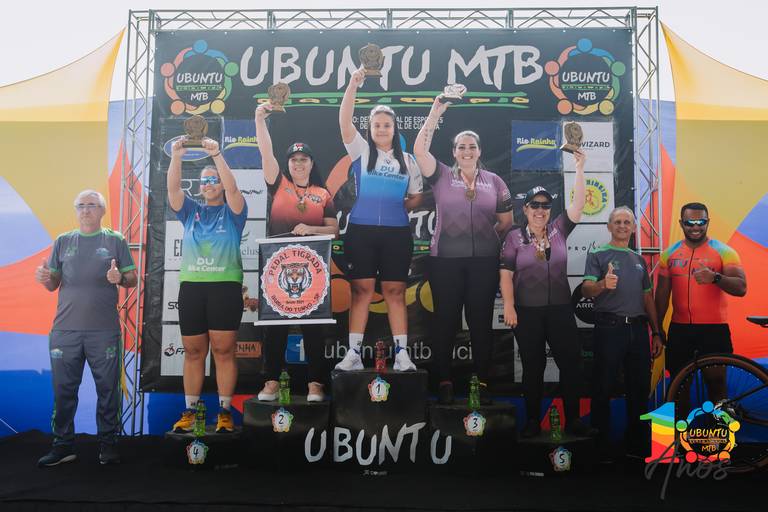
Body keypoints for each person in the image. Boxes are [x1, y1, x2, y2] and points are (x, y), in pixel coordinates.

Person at [413, 96, 513, 404]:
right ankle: (444, 381)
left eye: (472, 146)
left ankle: (481, 383)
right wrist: (435, 112)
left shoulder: (495, 181)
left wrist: (485, 239)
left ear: (479, 151)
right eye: (461, 147)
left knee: (480, 322)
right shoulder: (442, 175)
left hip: (483, 263)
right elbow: (419, 151)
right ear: (454, 152)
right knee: (445, 320)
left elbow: (506, 222)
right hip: (445, 261)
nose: (467, 151)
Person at [35, 190, 137, 467]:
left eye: (91, 205)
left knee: (108, 390)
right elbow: (52, 283)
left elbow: (132, 278)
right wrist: (44, 277)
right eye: (80, 205)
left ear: (102, 210)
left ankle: (108, 444)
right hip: (65, 332)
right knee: (63, 391)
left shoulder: (115, 240)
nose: (85, 210)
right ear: (76, 210)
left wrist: (119, 277)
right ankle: (63, 445)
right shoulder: (63, 241)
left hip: (103, 332)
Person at [499, 150, 596, 438]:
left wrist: (580, 168)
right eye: (534, 205)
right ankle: (532, 422)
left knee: (571, 364)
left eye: (545, 205)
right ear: (525, 209)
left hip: (560, 310)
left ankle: (573, 420)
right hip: (527, 311)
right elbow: (505, 275)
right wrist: (509, 306)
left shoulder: (559, 230)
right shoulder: (514, 237)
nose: (540, 210)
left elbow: (579, 204)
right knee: (533, 367)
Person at [334, 67, 424, 372]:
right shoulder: (361, 151)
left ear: (395, 128)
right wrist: (352, 85)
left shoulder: (408, 160)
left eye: (387, 125)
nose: (382, 129)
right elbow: (344, 122)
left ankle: (402, 355)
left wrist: (397, 205)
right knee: (361, 291)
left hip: (396, 234)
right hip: (361, 232)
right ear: (370, 129)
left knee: (395, 292)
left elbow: (416, 197)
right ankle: (353, 354)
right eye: (376, 125)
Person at [254, 103, 339, 402]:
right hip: (277, 267)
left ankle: (316, 383)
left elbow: (334, 230)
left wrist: (310, 229)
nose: (298, 164)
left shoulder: (323, 194)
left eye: (303, 159)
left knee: (314, 327)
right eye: (293, 160)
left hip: (313, 271)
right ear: (288, 164)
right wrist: (259, 120)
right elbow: (266, 153)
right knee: (274, 326)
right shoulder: (279, 184)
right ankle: (271, 382)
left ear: (311, 163)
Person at [168, 137, 247, 433]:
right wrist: (176, 156)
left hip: (225, 286)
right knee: (193, 352)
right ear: (199, 187)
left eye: (214, 179)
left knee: (224, 351)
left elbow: (233, 190)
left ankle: (224, 412)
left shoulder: (234, 211)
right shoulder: (190, 211)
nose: (209, 184)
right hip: (192, 287)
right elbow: (173, 190)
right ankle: (190, 411)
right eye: (204, 181)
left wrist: (216, 155)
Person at [581, 206, 662, 458]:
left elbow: (647, 298)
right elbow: (585, 289)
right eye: (617, 222)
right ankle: (600, 446)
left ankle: (636, 445)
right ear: (609, 226)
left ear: (634, 228)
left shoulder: (639, 260)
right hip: (609, 329)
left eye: (627, 222)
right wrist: (602, 285)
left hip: (638, 331)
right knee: (603, 387)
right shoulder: (597, 254)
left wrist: (656, 333)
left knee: (639, 389)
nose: (623, 226)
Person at [655, 202, 746, 414]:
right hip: (679, 330)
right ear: (681, 223)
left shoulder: (724, 252)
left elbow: (741, 288)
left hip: (713, 330)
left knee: (717, 385)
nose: (695, 226)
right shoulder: (669, 254)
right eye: (690, 222)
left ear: (708, 222)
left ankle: (721, 434)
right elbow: (661, 296)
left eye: (701, 221)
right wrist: (657, 330)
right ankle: (682, 434)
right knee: (679, 387)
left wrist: (716, 277)